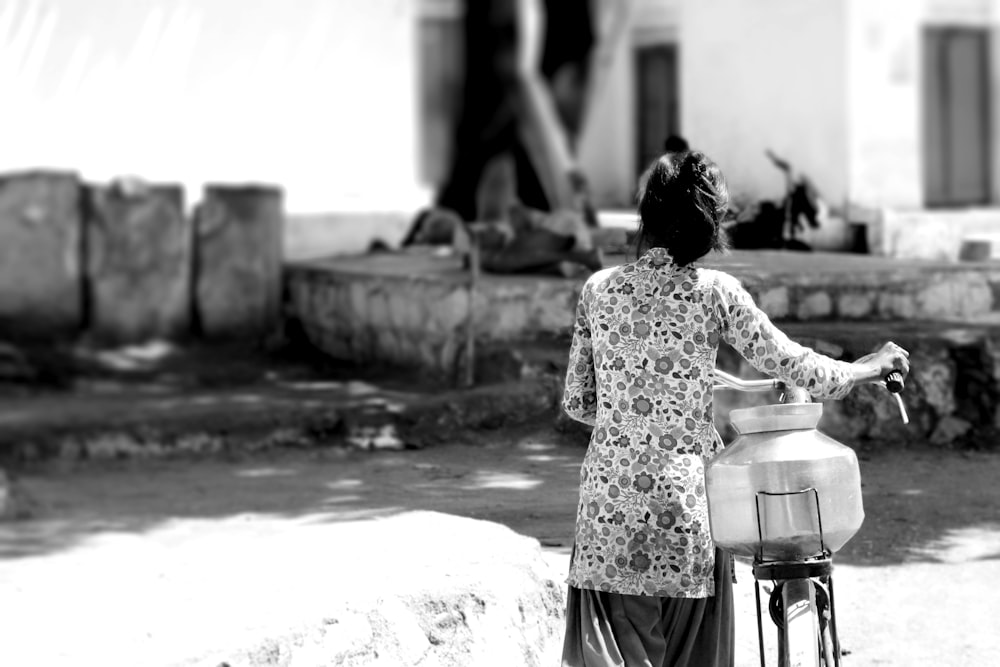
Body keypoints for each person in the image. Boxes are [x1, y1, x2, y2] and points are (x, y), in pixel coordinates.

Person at [560, 150, 910, 667]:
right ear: (710, 223)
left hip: (607, 517)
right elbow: (798, 367)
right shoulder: (715, 294)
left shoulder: (599, 289)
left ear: (647, 215)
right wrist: (867, 367)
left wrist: (636, 415)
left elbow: (579, 402)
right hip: (688, 511)